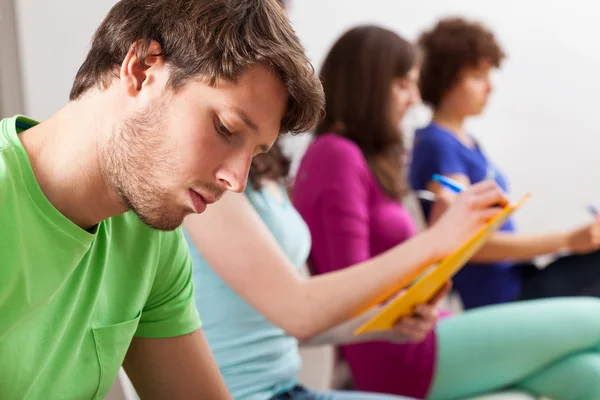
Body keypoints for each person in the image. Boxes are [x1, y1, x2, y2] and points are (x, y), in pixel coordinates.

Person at [0, 0, 325, 398]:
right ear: (141, 69)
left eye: (255, 153)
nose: (237, 180)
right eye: (225, 128)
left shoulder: (152, 239)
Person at [292, 24, 600, 400]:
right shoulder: (335, 155)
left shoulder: (356, 159)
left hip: (421, 332)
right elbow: (351, 287)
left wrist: (441, 240)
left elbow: (390, 275)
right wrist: (440, 241)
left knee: (587, 373)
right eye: (403, 85)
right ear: (367, 84)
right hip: (396, 354)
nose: (414, 98)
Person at [409, 17, 600, 309]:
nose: (490, 88)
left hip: (518, 278)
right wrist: (568, 240)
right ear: (445, 79)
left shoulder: (467, 143)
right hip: (501, 296)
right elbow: (465, 244)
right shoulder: (438, 144)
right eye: (477, 77)